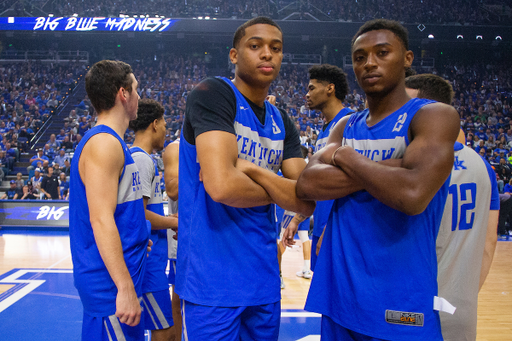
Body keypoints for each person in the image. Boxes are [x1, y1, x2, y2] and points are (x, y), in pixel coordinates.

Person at [297, 19, 459, 340]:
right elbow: (307, 184)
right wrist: (393, 168)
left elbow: (412, 194)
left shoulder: (433, 115)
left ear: (408, 58)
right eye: (360, 57)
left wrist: (344, 157)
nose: (369, 62)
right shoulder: (346, 126)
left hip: (402, 301)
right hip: (340, 298)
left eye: (382, 52)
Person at [177, 16, 315, 340]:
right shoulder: (212, 93)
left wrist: (253, 171)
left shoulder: (283, 121)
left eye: (275, 48)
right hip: (211, 280)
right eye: (255, 46)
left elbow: (307, 199)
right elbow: (222, 186)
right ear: (234, 55)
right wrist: (281, 188)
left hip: (264, 277)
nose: (267, 54)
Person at [405, 73, 500, 341]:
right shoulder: (482, 165)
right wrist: (464, 296)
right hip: (460, 311)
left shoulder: (409, 163)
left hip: (410, 312)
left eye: (406, 105)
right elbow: (488, 243)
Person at [69, 60, 150, 341]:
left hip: (118, 278)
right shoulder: (104, 144)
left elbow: (117, 213)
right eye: (136, 89)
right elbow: (101, 220)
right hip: (111, 287)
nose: (140, 96)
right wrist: (124, 287)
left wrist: (138, 233)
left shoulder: (114, 143)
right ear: (123, 93)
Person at [281, 64, 353, 274]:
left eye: (312, 88)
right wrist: (297, 218)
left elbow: (351, 185)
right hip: (321, 227)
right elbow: (320, 187)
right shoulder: (324, 132)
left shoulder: (351, 124)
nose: (307, 94)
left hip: (337, 232)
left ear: (330, 89)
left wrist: (330, 231)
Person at [129, 99, 178, 341]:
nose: (167, 131)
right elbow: (137, 213)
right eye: (166, 125)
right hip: (148, 261)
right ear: (155, 124)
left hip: (150, 259)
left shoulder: (139, 157)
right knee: (165, 330)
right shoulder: (142, 160)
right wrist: (172, 222)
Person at [163, 138, 181, 341]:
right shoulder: (176, 148)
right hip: (182, 240)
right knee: (179, 298)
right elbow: (173, 190)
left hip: (210, 236)